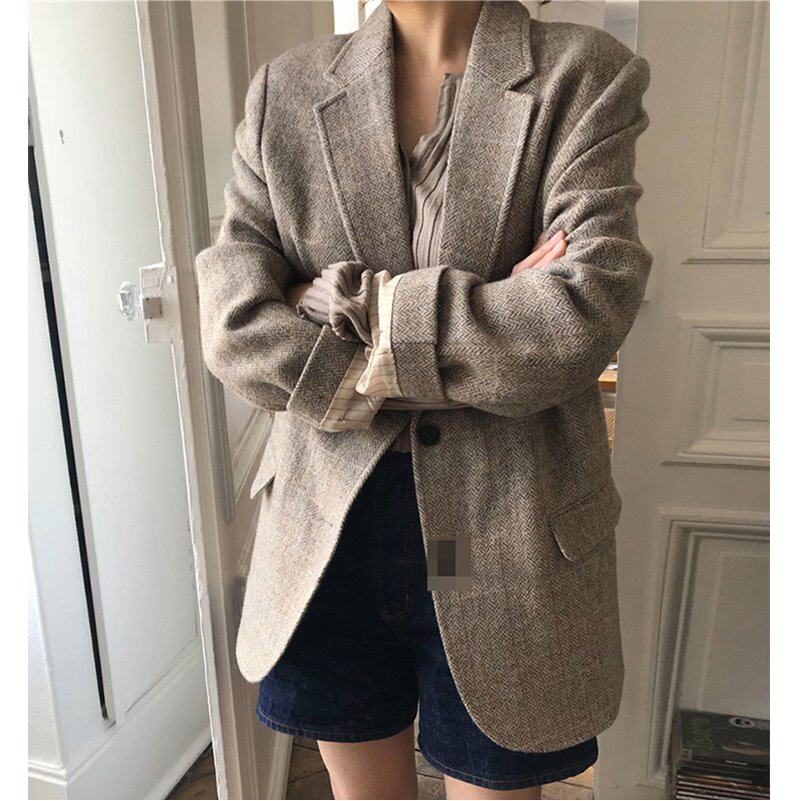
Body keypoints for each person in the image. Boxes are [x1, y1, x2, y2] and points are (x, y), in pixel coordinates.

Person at [196, 1, 651, 798]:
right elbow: (235, 327)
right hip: (328, 534)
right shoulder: (287, 89)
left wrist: (336, 305)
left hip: (497, 532)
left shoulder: (582, 74)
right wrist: (486, 310)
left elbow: (580, 315)